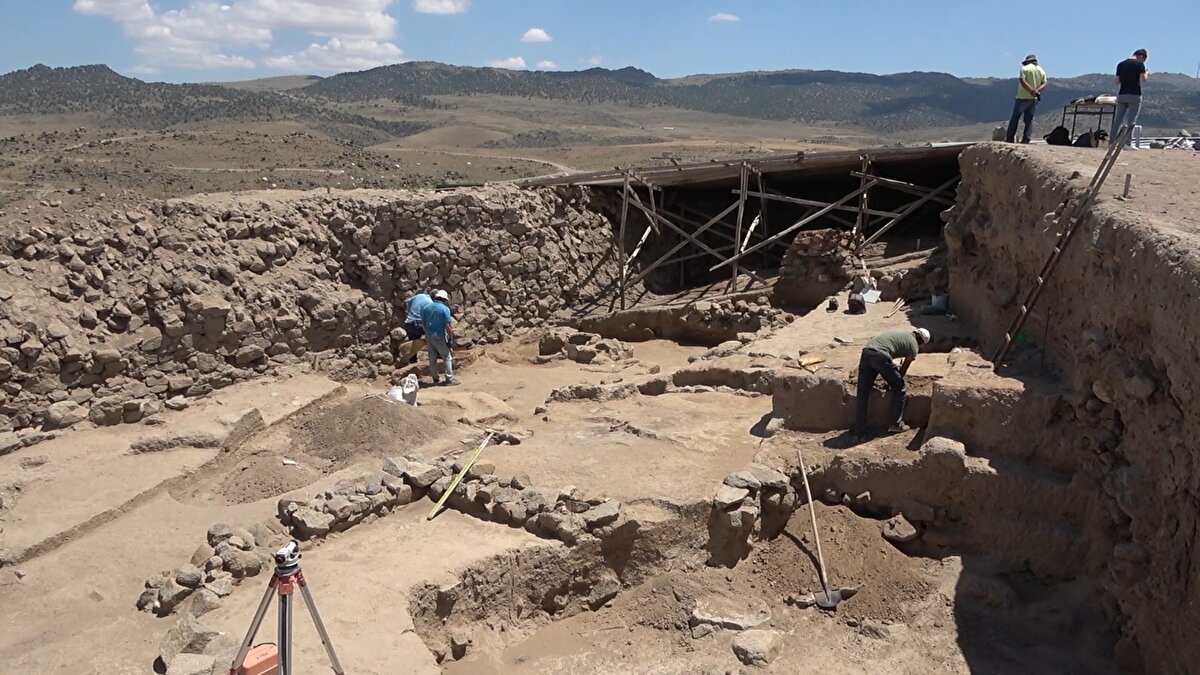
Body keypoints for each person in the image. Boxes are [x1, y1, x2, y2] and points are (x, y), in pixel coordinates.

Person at [853, 327, 931, 442]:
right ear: (922, 343)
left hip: (867, 351)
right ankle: (896, 423)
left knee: (863, 394)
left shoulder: (902, 333)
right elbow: (904, 368)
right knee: (901, 389)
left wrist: (890, 376)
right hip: (880, 356)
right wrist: (895, 380)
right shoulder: (914, 346)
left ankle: (860, 431)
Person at [1109, 49, 1149, 149]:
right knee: (1131, 121)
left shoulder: (1121, 64)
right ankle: (1127, 143)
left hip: (1122, 94)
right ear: (1141, 56)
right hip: (1134, 94)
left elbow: (1117, 81)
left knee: (1118, 120)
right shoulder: (1139, 64)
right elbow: (1143, 79)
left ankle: (1111, 142)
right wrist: (1147, 73)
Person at [1005, 54, 1048, 144]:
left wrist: (1030, 90)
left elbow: (1022, 81)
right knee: (1029, 119)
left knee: (1015, 118)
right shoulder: (1041, 71)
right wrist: (1036, 91)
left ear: (1028, 61)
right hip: (1034, 98)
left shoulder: (1024, 69)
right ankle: (1026, 138)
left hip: (1022, 97)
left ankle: (1010, 138)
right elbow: (1044, 83)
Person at [421, 289, 460, 386]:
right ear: (444, 299)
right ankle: (449, 379)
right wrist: (450, 339)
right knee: (447, 357)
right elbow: (447, 326)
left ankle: (435, 378)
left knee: (432, 358)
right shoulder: (444, 309)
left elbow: (423, 323)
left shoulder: (426, 308)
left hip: (429, 335)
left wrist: (427, 333)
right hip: (439, 336)